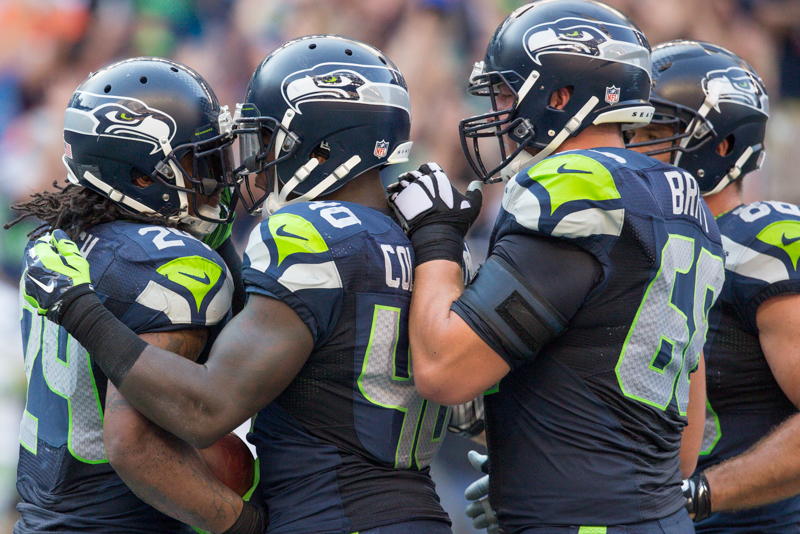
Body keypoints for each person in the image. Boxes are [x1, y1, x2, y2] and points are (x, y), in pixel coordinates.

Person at [21, 35, 456, 534]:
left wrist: (80, 310)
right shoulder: (430, 238)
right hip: (415, 508)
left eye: (268, 141)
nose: (244, 167)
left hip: (329, 514)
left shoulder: (62, 249)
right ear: (143, 174)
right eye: (200, 163)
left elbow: (200, 412)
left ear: (322, 145)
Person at [385, 1, 724, 532]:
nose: (495, 111)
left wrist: (436, 239)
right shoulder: (683, 196)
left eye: (504, 93)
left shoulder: (574, 186)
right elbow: (682, 451)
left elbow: (442, 371)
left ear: (560, 96)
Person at [5, 57, 263, 533]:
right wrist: (249, 525)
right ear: (143, 175)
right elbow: (137, 441)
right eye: (199, 161)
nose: (218, 177)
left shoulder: (57, 239)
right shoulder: (178, 264)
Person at [627, 40, 800, 533]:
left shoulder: (758, 243)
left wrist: (701, 494)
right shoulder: (637, 249)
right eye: (629, 129)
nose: (632, 147)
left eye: (654, 131)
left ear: (721, 145)